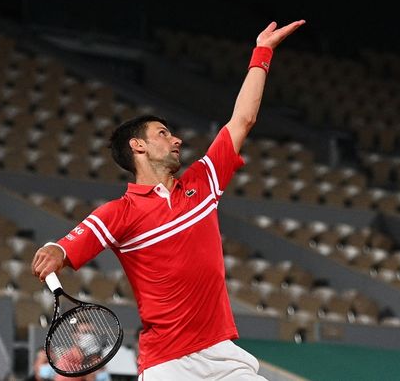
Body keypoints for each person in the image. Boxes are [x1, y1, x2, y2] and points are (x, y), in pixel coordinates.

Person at [32, 19, 305, 380]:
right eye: (164, 133)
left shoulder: (203, 182)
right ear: (138, 146)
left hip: (223, 354)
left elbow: (243, 120)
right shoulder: (119, 213)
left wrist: (263, 53)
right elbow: (66, 248)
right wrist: (54, 250)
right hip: (167, 364)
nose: (176, 140)